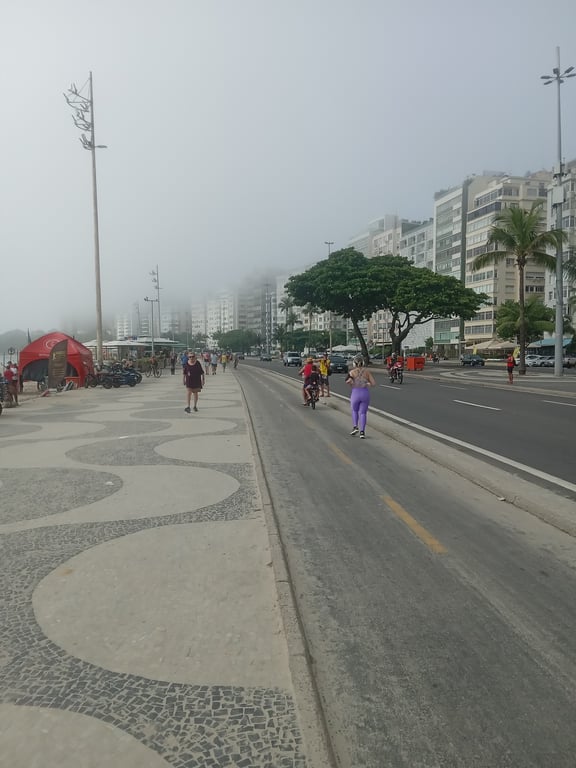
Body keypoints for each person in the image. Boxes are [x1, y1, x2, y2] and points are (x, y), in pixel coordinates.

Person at [345, 355, 376, 438]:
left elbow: (348, 381)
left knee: (354, 411)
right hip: (365, 393)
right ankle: (362, 432)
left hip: (355, 393)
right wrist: (367, 383)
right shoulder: (367, 372)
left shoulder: (352, 372)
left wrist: (351, 382)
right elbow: (373, 383)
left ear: (354, 363)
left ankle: (355, 426)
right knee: (363, 413)